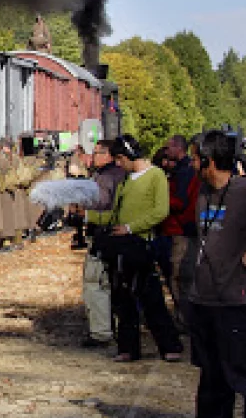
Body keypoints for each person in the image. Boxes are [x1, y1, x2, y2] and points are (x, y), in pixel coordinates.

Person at [171, 129, 246, 418]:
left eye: (197, 158)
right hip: (205, 301)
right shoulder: (203, 192)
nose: (193, 163)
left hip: (236, 302)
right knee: (212, 375)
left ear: (210, 161)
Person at [86, 134, 184, 363]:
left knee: (150, 297)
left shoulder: (156, 176)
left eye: (120, 160)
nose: (118, 165)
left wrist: (131, 228)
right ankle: (127, 347)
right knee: (122, 298)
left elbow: (161, 210)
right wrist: (89, 216)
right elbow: (114, 214)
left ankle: (169, 345)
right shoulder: (126, 181)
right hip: (121, 246)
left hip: (141, 244)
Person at [76, 139, 125, 348]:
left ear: (108, 155)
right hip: (118, 236)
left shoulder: (105, 178)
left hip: (103, 235)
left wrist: (83, 210)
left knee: (95, 283)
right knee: (114, 283)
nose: (93, 157)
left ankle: (100, 332)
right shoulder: (123, 175)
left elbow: (102, 204)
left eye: (97, 153)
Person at [159, 134, 199, 332]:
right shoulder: (183, 170)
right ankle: (184, 317)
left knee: (179, 275)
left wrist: (161, 200)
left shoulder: (184, 172)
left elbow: (180, 201)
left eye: (169, 148)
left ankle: (185, 320)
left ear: (178, 148)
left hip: (180, 228)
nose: (166, 152)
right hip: (179, 227)